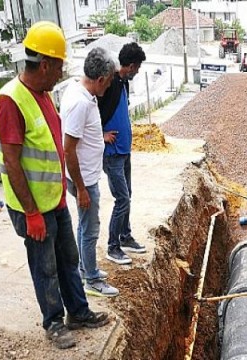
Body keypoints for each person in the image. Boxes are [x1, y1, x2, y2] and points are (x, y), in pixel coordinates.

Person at [0, 21, 109, 350]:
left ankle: (78, 311)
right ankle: (53, 322)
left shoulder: (42, 94)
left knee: (68, 257)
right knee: (45, 266)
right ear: (44, 64)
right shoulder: (11, 101)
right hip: (33, 207)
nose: (61, 73)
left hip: (54, 200)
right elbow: (12, 162)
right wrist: (31, 213)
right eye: (58, 66)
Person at [60, 47, 118, 297]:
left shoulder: (81, 92)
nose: (109, 87)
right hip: (83, 178)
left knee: (84, 226)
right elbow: (68, 149)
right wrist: (82, 188)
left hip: (86, 175)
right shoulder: (80, 103)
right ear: (101, 79)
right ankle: (92, 280)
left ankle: (85, 268)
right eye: (109, 82)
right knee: (90, 228)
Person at [97, 42, 148, 265]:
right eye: (136, 68)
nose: (137, 72)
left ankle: (125, 236)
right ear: (129, 65)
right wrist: (101, 134)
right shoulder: (110, 84)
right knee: (122, 199)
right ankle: (112, 246)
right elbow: (92, 113)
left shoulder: (123, 84)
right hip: (112, 153)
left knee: (128, 196)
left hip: (124, 151)